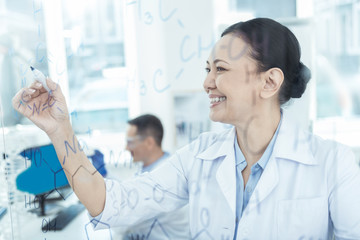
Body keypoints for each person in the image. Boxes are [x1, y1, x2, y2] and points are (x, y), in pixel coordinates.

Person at [12, 18, 360, 239]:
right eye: (207, 69)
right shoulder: (200, 155)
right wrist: (60, 131)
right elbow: (112, 204)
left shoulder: (335, 165)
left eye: (220, 69)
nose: (207, 82)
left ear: (269, 82)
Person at [120, 114, 190, 238]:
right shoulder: (148, 169)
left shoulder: (167, 178)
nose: (126, 148)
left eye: (130, 142)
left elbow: (126, 217)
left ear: (149, 143)